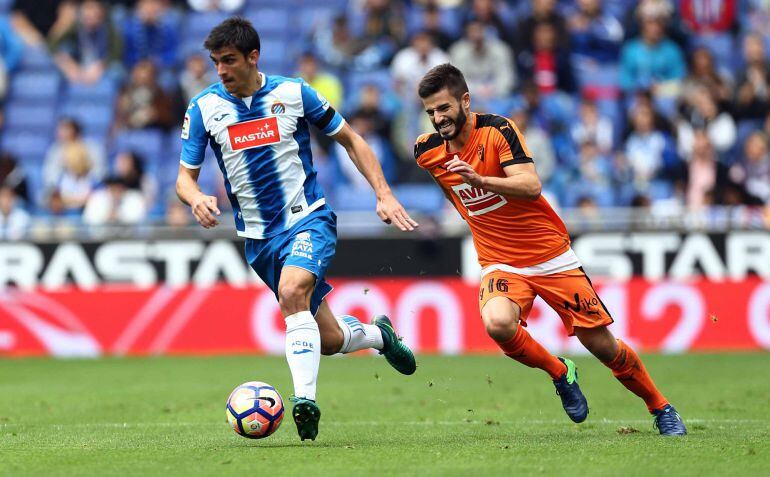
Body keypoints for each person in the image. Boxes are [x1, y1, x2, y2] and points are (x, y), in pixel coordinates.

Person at [176, 18, 418, 441]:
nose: (221, 70)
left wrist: (383, 193)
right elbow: (184, 178)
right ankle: (379, 336)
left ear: (253, 57)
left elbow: (352, 140)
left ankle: (304, 400)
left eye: (229, 60)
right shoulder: (203, 109)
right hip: (259, 240)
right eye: (216, 62)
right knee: (329, 339)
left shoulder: (293, 93)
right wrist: (195, 197)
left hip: (308, 218)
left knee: (292, 292)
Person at [413, 63, 687, 436]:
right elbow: (453, 192)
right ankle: (560, 372)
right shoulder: (426, 150)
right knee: (497, 324)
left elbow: (531, 186)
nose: (437, 118)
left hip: (549, 255)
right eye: (430, 111)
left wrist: (483, 181)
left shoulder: (498, 130)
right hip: (500, 261)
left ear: (465, 101)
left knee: (602, 346)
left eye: (444, 107)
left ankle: (661, 407)